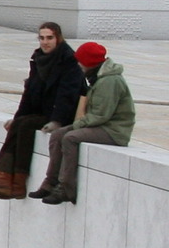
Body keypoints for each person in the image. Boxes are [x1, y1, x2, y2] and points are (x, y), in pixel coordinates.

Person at [0, 22, 82, 201]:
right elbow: (29, 93)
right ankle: (4, 177)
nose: (45, 42)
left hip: (61, 115)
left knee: (26, 126)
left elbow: (68, 95)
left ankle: (17, 183)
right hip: (43, 111)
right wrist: (16, 118)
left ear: (58, 38)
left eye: (50, 38)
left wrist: (57, 120)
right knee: (19, 123)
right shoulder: (38, 59)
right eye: (42, 38)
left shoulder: (68, 61)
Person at [37, 41, 133, 205]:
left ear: (89, 62)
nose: (78, 64)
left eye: (81, 61)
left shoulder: (109, 81)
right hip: (101, 125)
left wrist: (77, 125)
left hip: (114, 130)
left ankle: (66, 188)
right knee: (58, 134)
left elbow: (101, 116)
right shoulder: (98, 77)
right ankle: (50, 182)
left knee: (70, 137)